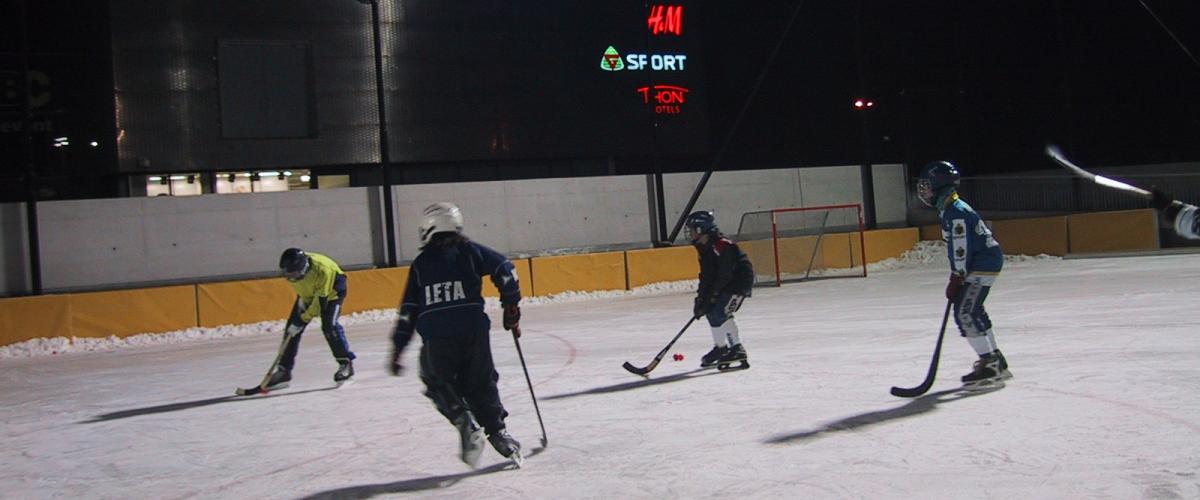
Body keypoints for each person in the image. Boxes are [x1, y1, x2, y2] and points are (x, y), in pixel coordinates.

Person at [388, 202, 525, 468]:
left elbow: (409, 310)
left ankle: (464, 421)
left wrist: (398, 347)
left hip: (437, 335)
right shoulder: (471, 251)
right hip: (474, 330)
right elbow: (505, 269)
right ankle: (498, 434)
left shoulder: (421, 264)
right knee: (481, 381)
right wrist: (511, 306)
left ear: (428, 228)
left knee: (437, 381)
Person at [916, 160, 1012, 389]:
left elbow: (960, 248)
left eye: (927, 185)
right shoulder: (951, 209)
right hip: (983, 261)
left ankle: (990, 363)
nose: (924, 191)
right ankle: (995, 358)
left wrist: (957, 277)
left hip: (982, 263)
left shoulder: (954, 212)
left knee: (965, 311)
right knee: (973, 309)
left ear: (939, 185)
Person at [264, 248, 356, 390]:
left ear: (303, 268)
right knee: (291, 330)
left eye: (293, 274)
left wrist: (303, 319)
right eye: (287, 274)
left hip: (332, 293)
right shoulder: (294, 275)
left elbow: (320, 302)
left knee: (329, 326)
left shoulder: (323, 270)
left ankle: (345, 364)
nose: (290, 278)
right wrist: (300, 315)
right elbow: (304, 293)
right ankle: (284, 371)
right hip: (309, 293)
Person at [684, 210, 754, 371]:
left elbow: (725, 274)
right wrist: (701, 299)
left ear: (701, 229)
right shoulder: (703, 247)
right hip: (725, 282)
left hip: (738, 282)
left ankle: (736, 348)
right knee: (710, 311)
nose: (690, 233)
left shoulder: (722, 245)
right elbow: (706, 276)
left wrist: (713, 294)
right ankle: (721, 348)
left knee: (721, 311)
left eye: (693, 229)